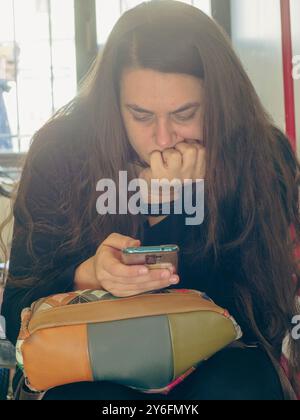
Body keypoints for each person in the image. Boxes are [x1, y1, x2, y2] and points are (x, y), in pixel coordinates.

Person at [1, 0, 300, 400]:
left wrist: (184, 201)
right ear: (114, 106)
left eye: (185, 113)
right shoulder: (63, 153)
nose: (163, 138)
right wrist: (92, 273)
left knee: (243, 384)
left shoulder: (261, 155)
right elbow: (16, 313)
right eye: (141, 115)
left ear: (220, 103)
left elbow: (264, 316)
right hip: (93, 365)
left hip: (220, 363)